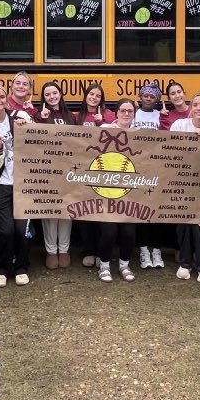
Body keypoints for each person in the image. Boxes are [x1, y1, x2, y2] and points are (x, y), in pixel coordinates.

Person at [0, 84, 33, 287]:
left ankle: (21, 267)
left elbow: (40, 144)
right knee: (4, 231)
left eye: (1, 96)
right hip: (0, 185)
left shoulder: (20, 118)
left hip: (24, 184)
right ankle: (0, 268)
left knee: (22, 230)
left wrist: (27, 128)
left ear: (7, 98)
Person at [169, 93, 200, 283]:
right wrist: (191, 139)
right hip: (179, 180)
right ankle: (185, 263)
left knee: (199, 222)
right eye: (195, 104)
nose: (198, 108)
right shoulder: (179, 125)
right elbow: (170, 149)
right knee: (183, 221)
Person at [96, 99, 138, 282]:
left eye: (130, 111)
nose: (126, 114)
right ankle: (104, 265)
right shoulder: (105, 129)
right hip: (106, 191)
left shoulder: (139, 134)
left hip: (129, 191)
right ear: (116, 113)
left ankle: (124, 265)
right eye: (123, 110)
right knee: (109, 231)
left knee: (129, 231)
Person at [36, 81, 77, 269]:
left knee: (67, 210)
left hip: (68, 169)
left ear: (60, 94)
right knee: (50, 211)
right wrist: (41, 120)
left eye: (54, 93)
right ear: (43, 98)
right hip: (48, 169)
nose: (52, 97)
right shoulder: (40, 115)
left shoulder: (71, 116)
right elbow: (33, 139)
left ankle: (64, 249)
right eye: (47, 94)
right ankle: (51, 251)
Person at [75, 84, 114, 267]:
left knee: (101, 212)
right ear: (86, 96)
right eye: (91, 94)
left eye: (98, 95)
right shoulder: (77, 116)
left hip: (103, 168)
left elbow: (117, 136)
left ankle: (101, 251)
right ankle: (88, 250)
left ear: (101, 99)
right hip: (83, 169)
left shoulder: (109, 115)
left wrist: (102, 123)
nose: (94, 97)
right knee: (84, 211)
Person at [132, 83, 166, 269]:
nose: (148, 98)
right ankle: (144, 250)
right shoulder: (133, 114)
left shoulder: (160, 115)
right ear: (140, 97)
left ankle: (156, 249)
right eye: (145, 95)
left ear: (157, 100)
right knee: (141, 210)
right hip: (137, 166)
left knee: (156, 210)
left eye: (152, 96)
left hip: (157, 166)